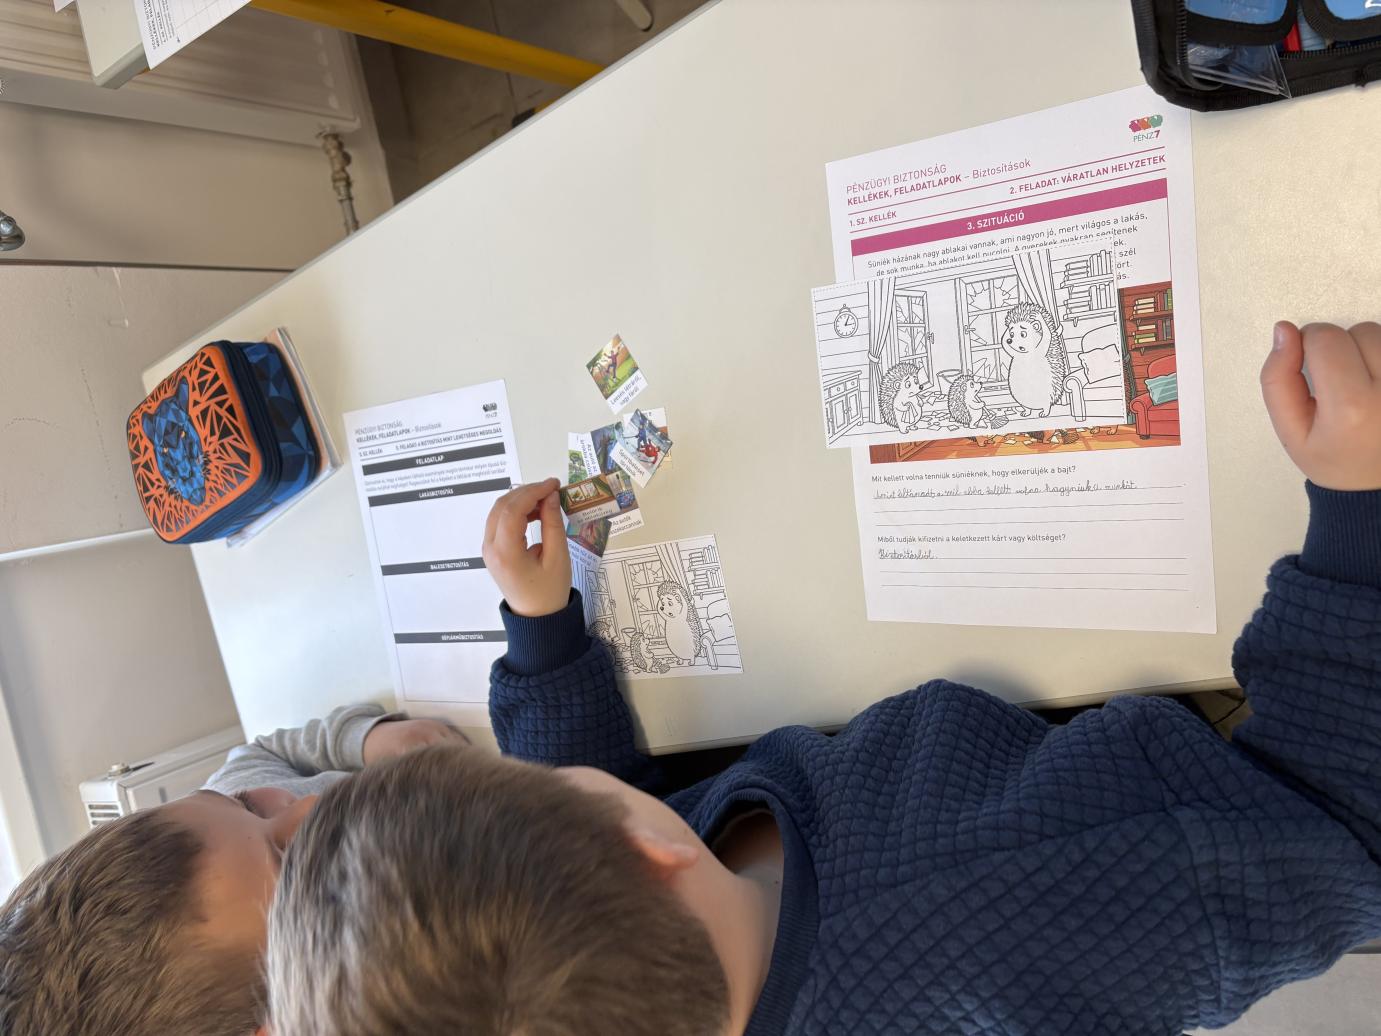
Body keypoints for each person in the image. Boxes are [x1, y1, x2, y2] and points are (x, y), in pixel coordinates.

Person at [268, 321, 1381, 1036]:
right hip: (1171, 777)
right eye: (536, 784)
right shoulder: (999, 917)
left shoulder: (652, 941)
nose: (550, 774)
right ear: (649, 853)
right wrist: (1358, 510)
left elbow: (603, 805)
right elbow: (1340, 828)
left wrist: (544, 633)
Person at [0, 701, 465, 1036]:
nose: (310, 805)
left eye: (246, 804)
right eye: (293, 861)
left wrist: (363, 740)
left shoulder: (226, 816)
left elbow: (262, 753)